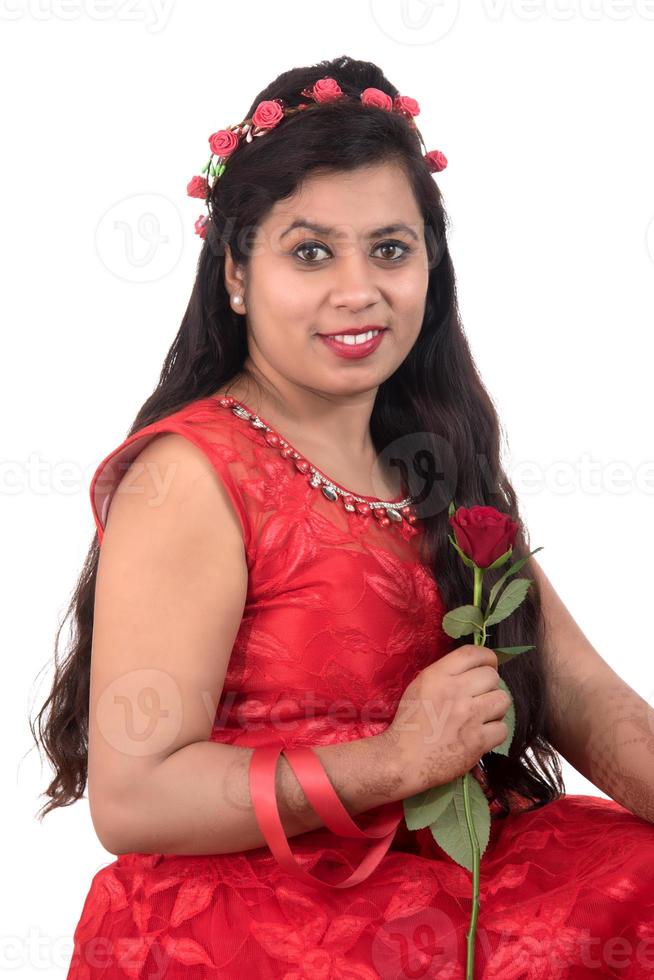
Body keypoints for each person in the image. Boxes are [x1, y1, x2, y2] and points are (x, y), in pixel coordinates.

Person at [31, 55, 654, 979]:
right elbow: (133, 800)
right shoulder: (189, 476)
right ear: (236, 273)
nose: (358, 289)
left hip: (445, 870)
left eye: (391, 249)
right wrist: (392, 763)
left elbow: (585, 699)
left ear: (430, 268)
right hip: (252, 911)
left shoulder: (434, 456)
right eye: (311, 251)